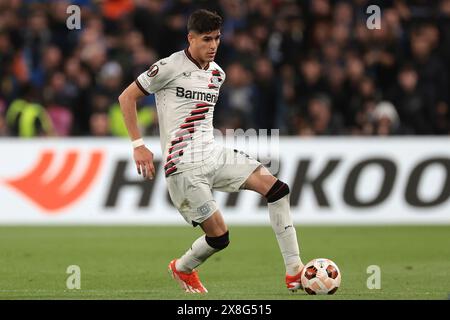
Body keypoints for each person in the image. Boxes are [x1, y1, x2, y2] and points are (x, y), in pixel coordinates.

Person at [118, 9, 304, 293]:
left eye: (217, 38)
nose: (213, 45)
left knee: (277, 189)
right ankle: (182, 267)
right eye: (206, 39)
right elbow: (127, 97)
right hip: (183, 167)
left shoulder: (217, 74)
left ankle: (295, 272)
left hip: (213, 153)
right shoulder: (168, 67)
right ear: (190, 38)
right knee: (219, 237)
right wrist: (138, 145)